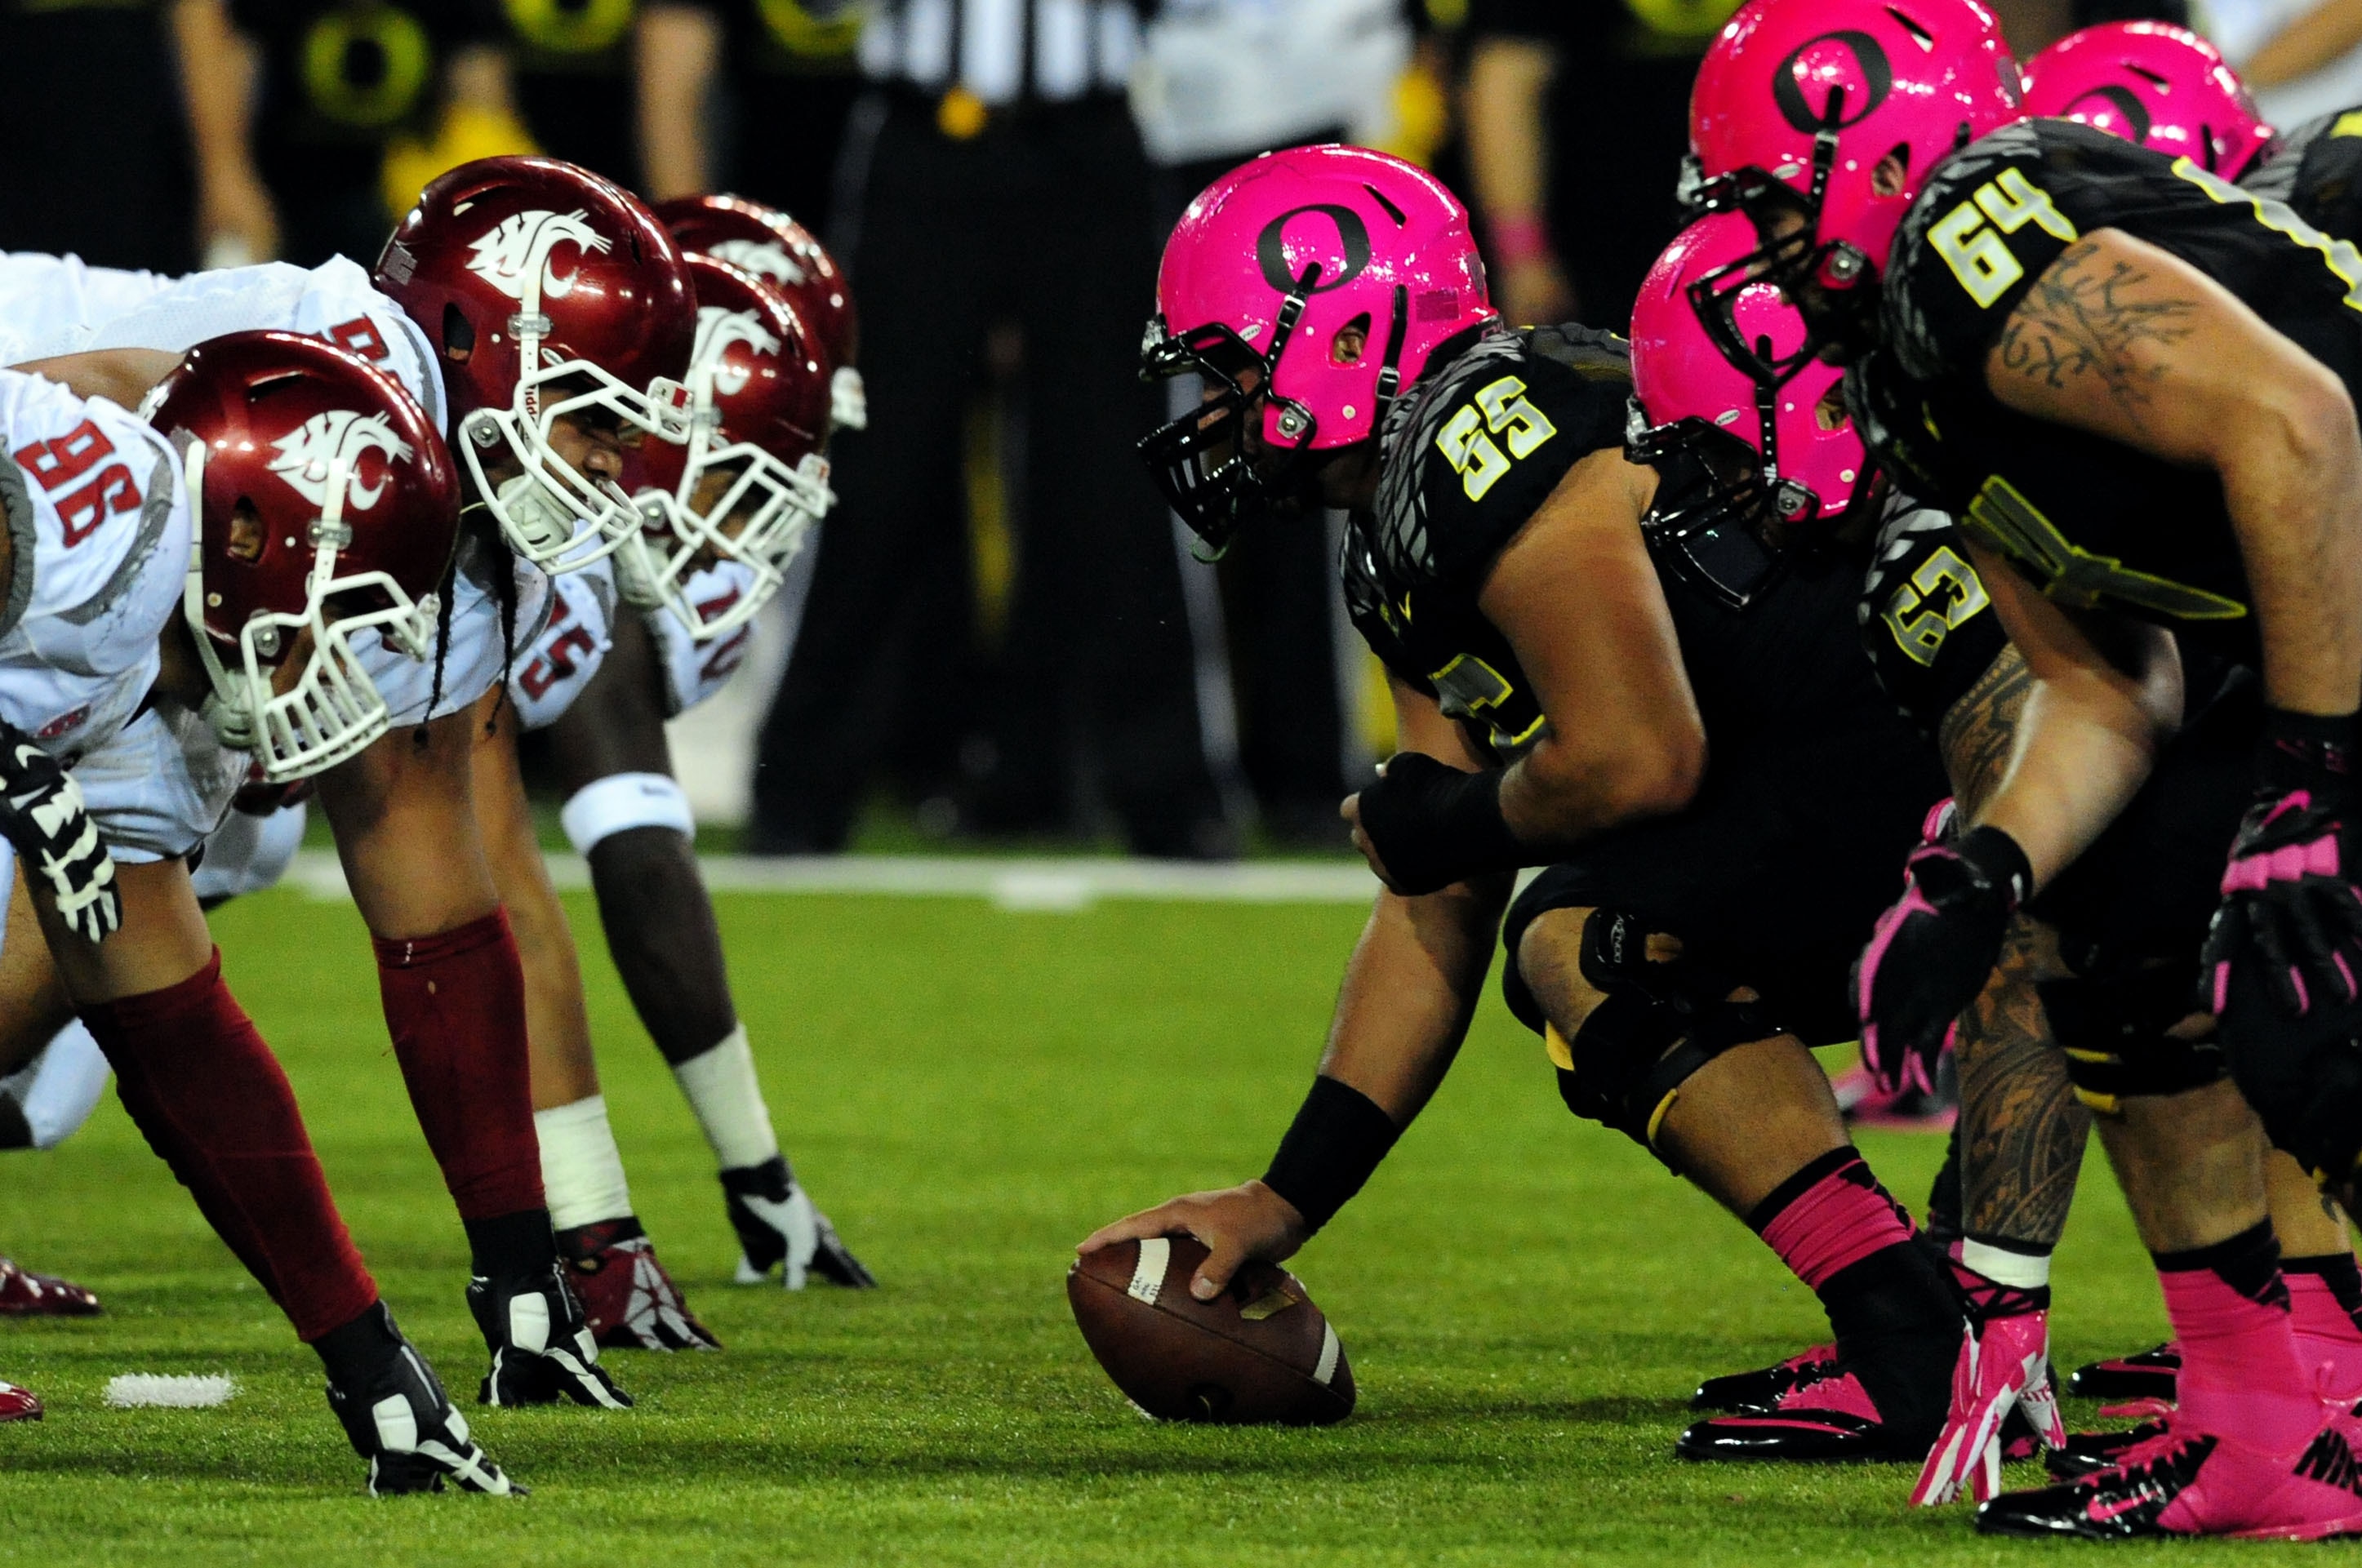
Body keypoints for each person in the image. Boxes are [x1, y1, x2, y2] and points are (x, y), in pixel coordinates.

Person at [1082, 144, 1978, 1464]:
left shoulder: (1479, 435)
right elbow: (1430, 897)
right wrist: (1285, 1198)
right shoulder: (1402, 522)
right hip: (1871, 784)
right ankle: (1938, 1323)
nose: (1208, 412)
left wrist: (1440, 823)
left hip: (1938, 759)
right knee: (1572, 937)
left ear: (1331, 329)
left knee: (1585, 944)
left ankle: (1911, 1341)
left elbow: (1631, 758)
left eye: (1226, 367)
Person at [1691, 0, 2362, 1535]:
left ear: (1864, 141)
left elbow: (2301, 421)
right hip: (2315, 631)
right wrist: (1979, 873)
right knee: (2117, 922)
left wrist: (2309, 789)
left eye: (1774, 200)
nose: (1762, 248)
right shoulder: (1917, 376)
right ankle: (2256, 1428)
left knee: (2307, 998)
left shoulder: (1974, 233)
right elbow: (2102, 683)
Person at [0, 154, 697, 1406]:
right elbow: (48, 490)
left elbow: (423, 874)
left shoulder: (457, 525)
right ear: (483, 339)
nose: (609, 471)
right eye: (593, 419)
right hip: (34, 509)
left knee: (103, 941)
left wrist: (516, 1269)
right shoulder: (288, 368)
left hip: (99, 639)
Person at [0, 329, 509, 1491]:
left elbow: (186, 1053)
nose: (336, 659)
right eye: (338, 607)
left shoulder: (161, 731)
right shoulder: (109, 518)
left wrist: (368, 1357)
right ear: (243, 533)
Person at [495, 247, 875, 1340]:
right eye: (744, 468)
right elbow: (625, 863)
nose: (762, 526)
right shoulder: (558, 527)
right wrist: (734, 1180)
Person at [746, 0, 1229, 857]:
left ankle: (1164, 790)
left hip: (1091, 143)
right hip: (930, 138)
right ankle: (802, 785)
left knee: (1114, 477)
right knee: (879, 470)